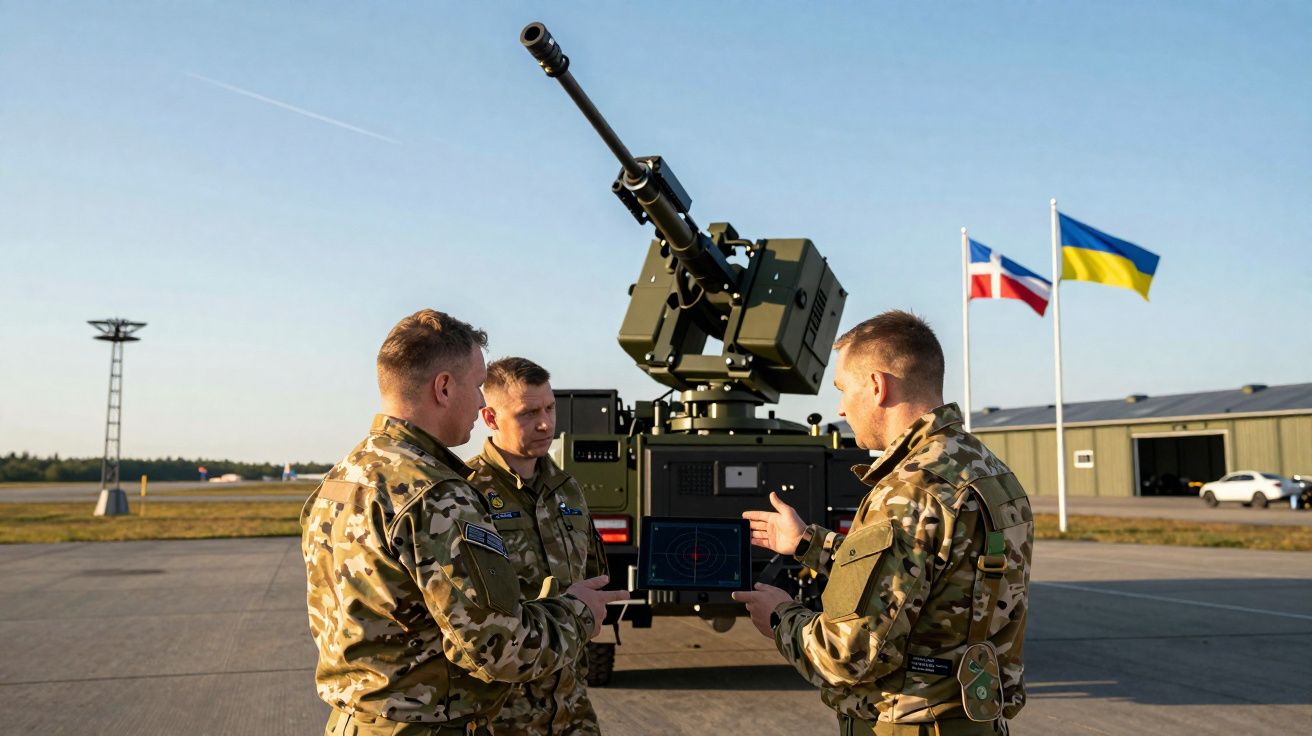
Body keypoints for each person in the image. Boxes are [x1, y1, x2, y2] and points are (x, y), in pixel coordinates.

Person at [301, 309, 626, 736]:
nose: (479, 402)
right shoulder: (437, 494)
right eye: (476, 387)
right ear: (443, 387)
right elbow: (499, 647)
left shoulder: (343, 478)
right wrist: (579, 611)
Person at [733, 310, 1033, 736]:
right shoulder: (989, 470)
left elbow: (848, 655)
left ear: (876, 386)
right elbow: (926, 575)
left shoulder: (910, 489)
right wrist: (808, 543)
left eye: (843, 389)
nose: (839, 406)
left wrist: (781, 617)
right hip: (976, 721)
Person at [466, 357, 609, 735]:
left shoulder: (569, 490)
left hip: (572, 708)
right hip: (501, 717)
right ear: (491, 418)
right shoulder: (464, 496)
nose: (546, 423)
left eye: (550, 407)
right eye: (528, 413)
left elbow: (592, 577)